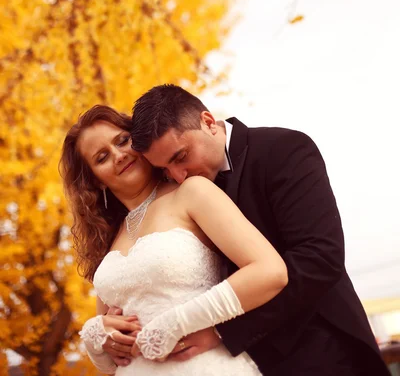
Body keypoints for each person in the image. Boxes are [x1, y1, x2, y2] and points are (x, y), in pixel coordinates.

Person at [110, 83, 388, 376]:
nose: (179, 176)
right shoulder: (175, 196)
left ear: (207, 122)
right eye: (165, 169)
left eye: (181, 157)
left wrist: (221, 331)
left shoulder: (283, 149)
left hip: (321, 348)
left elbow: (319, 257)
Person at [60, 104, 288, 375]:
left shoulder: (192, 192)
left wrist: (177, 322)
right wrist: (97, 338)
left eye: (122, 141)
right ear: (96, 181)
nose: (119, 155)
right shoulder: (110, 237)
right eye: (102, 157)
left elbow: (270, 271)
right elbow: (112, 363)